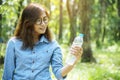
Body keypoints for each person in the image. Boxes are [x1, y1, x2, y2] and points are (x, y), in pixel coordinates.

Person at [2, 3, 83, 80]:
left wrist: (73, 62)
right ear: (28, 23)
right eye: (38, 20)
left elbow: (59, 75)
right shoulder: (13, 43)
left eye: (45, 19)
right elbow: (7, 77)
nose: (43, 24)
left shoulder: (53, 45)